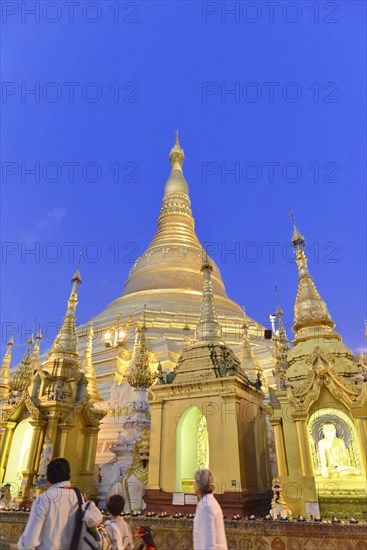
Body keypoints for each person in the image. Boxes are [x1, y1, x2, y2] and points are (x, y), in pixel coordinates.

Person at [11, 458, 80, 550]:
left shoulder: (43, 499)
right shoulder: (78, 497)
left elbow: (31, 539)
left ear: (48, 476)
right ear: (68, 473)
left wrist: (19, 547)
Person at [193, 468, 227, 550]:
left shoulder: (206, 506)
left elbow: (209, 543)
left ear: (199, 485)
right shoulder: (209, 502)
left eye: (195, 481)